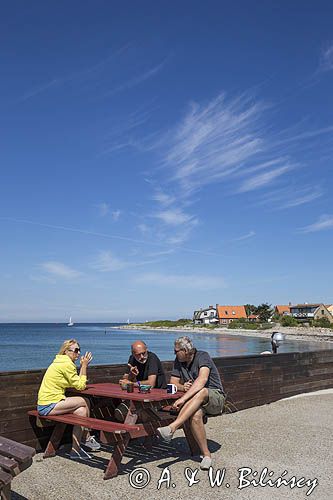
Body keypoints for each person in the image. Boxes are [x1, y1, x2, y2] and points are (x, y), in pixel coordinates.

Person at [157, 336, 225, 470]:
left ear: (186, 350)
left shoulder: (202, 356)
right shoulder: (179, 361)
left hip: (215, 397)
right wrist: (183, 387)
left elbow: (202, 379)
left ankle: (173, 427)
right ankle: (206, 455)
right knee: (195, 416)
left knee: (203, 391)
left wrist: (182, 398)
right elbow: (173, 383)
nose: (174, 353)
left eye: (176, 351)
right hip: (196, 401)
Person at [37, 339, 100, 459]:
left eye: (79, 350)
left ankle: (75, 450)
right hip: (47, 405)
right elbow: (81, 385)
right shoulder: (66, 364)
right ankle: (86, 436)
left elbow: (76, 383)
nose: (78, 353)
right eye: (75, 350)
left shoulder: (60, 362)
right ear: (66, 351)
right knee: (84, 401)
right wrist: (85, 366)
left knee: (81, 411)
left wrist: (82, 367)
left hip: (50, 403)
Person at [116, 340, 166, 422]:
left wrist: (132, 383)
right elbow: (124, 381)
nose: (142, 356)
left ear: (147, 349)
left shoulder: (152, 358)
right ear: (133, 354)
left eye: (144, 353)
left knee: (128, 409)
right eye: (138, 355)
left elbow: (151, 384)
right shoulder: (132, 359)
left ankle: (153, 425)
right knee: (121, 410)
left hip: (158, 396)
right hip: (142, 395)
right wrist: (131, 375)